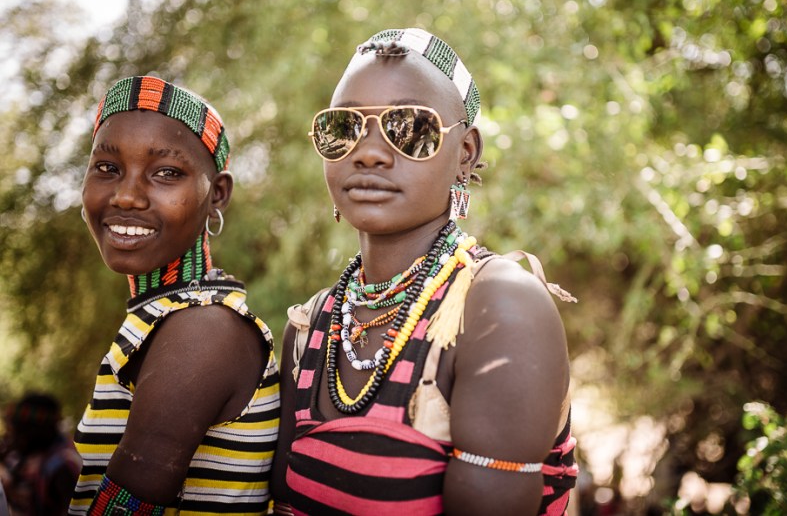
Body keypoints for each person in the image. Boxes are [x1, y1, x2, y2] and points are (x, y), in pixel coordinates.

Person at [271, 28, 579, 515]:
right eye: (344, 128)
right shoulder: (310, 326)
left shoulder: (498, 308)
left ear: (466, 154)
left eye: (411, 127)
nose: (369, 151)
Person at [70, 76, 280, 514]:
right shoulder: (164, 317)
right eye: (107, 168)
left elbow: (127, 505)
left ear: (217, 194)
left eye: (166, 173)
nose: (126, 197)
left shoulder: (204, 328)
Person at [0, 393, 81, 515]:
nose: (13, 437)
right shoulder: (22, 458)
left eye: (19, 431)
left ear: (35, 431)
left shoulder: (63, 465)